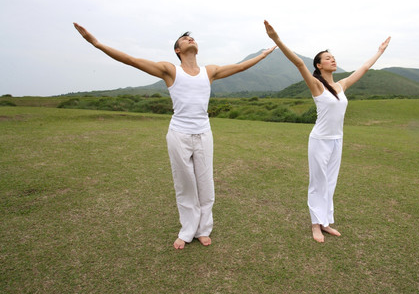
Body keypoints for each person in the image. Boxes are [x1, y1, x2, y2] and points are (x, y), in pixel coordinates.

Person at [73, 23, 276, 249]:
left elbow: (240, 67)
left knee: (205, 184)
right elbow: (131, 60)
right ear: (177, 50)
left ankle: (203, 229)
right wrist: (97, 43)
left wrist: (264, 54)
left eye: (192, 38)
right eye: (184, 38)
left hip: (203, 133)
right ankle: (187, 230)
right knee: (185, 184)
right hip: (179, 134)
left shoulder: (209, 72)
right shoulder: (170, 70)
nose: (190, 39)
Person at [264, 20, 390, 243]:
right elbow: (298, 64)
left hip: (337, 140)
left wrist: (379, 51)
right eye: (327, 58)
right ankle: (315, 225)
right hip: (319, 140)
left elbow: (364, 68)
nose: (332, 59)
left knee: (330, 182)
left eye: (333, 57)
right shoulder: (317, 85)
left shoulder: (341, 85)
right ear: (319, 65)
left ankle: (325, 222)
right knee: (317, 182)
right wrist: (276, 39)